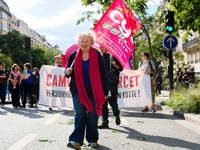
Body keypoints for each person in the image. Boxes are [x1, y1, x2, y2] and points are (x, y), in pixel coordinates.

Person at [65, 31, 108, 149]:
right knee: (79, 114)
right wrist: (67, 72)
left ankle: (92, 140)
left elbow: (104, 74)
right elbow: (67, 72)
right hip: (78, 90)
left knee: (93, 116)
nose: (84, 44)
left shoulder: (98, 55)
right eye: (81, 42)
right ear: (78, 43)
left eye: (86, 41)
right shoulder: (73, 56)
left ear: (91, 42)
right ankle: (76, 141)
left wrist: (105, 92)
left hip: (94, 91)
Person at [98, 46, 123, 129]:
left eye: (102, 47)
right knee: (103, 103)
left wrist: (115, 65)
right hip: (102, 84)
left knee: (113, 102)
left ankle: (116, 115)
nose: (101, 49)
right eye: (100, 47)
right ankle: (105, 121)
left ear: (106, 48)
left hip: (112, 84)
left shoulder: (113, 57)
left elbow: (121, 68)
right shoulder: (99, 58)